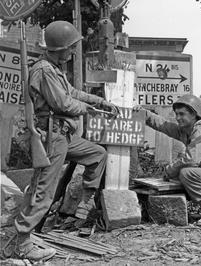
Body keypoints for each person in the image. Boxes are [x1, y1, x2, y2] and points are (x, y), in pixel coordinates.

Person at [14, 21, 119, 261]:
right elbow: (64, 104)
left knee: (96, 154)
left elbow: (72, 93)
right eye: (71, 47)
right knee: (44, 191)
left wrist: (99, 102)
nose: (73, 52)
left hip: (63, 135)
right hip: (52, 137)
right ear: (60, 48)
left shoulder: (54, 68)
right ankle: (22, 241)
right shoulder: (44, 70)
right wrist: (89, 110)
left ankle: (83, 203)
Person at [134, 95, 201, 227]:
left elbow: (192, 160)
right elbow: (162, 125)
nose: (178, 117)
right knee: (179, 174)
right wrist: (143, 113)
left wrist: (169, 169)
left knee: (186, 173)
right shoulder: (185, 130)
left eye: (182, 114)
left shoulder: (200, 131)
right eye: (176, 114)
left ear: (194, 114)